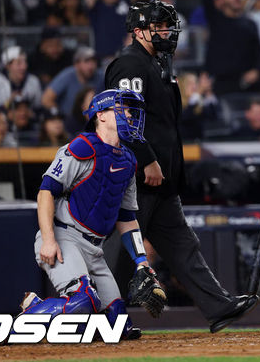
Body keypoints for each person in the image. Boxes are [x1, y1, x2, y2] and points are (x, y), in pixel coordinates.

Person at [105, 0, 258, 333]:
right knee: (119, 253)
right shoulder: (129, 65)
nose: (166, 32)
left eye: (166, 26)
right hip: (135, 177)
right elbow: (122, 120)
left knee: (183, 245)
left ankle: (219, 307)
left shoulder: (159, 66)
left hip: (162, 180)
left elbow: (166, 125)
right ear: (139, 29)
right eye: (158, 26)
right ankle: (100, 321)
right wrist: (147, 161)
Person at [15, 89, 160, 340]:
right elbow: (45, 193)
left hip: (95, 248)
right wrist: (49, 240)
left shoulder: (128, 161)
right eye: (123, 109)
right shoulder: (82, 148)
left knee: (118, 325)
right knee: (81, 302)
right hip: (64, 236)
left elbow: (127, 218)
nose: (131, 115)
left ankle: (40, 308)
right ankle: (24, 321)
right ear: (101, 115)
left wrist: (142, 262)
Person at [41, 46, 104, 116]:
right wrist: (59, 115)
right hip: (69, 120)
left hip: (93, 118)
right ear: (77, 64)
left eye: (93, 61)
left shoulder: (101, 76)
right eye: (86, 61)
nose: (91, 66)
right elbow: (46, 99)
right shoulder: (67, 75)